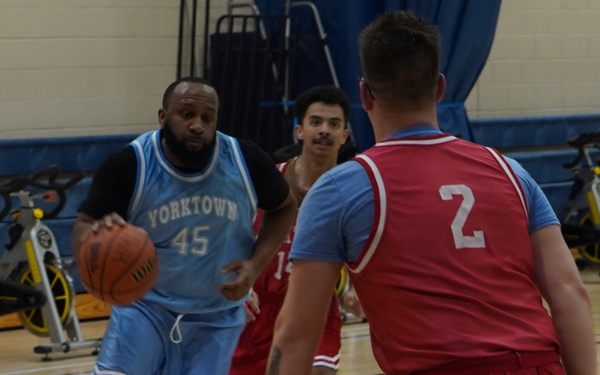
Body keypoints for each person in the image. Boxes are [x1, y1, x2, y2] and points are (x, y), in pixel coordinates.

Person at [267, 11, 596, 375]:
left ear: (364, 93)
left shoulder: (341, 188)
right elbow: (570, 293)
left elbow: (297, 332)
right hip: (537, 365)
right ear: (440, 87)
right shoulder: (510, 171)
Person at [72, 76, 296, 375]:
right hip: (145, 307)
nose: (197, 125)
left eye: (207, 117)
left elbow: (284, 207)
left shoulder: (244, 159)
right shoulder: (130, 164)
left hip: (216, 314)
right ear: (163, 117)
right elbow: (85, 225)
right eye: (187, 114)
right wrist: (95, 236)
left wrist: (255, 266)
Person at [230, 85, 361, 375]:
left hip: (314, 306)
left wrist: (357, 289)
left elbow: (367, 245)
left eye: (334, 124)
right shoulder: (266, 180)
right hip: (257, 308)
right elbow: (230, 235)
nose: (324, 130)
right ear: (299, 131)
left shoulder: (352, 191)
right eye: (316, 122)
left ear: (345, 136)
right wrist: (241, 282)